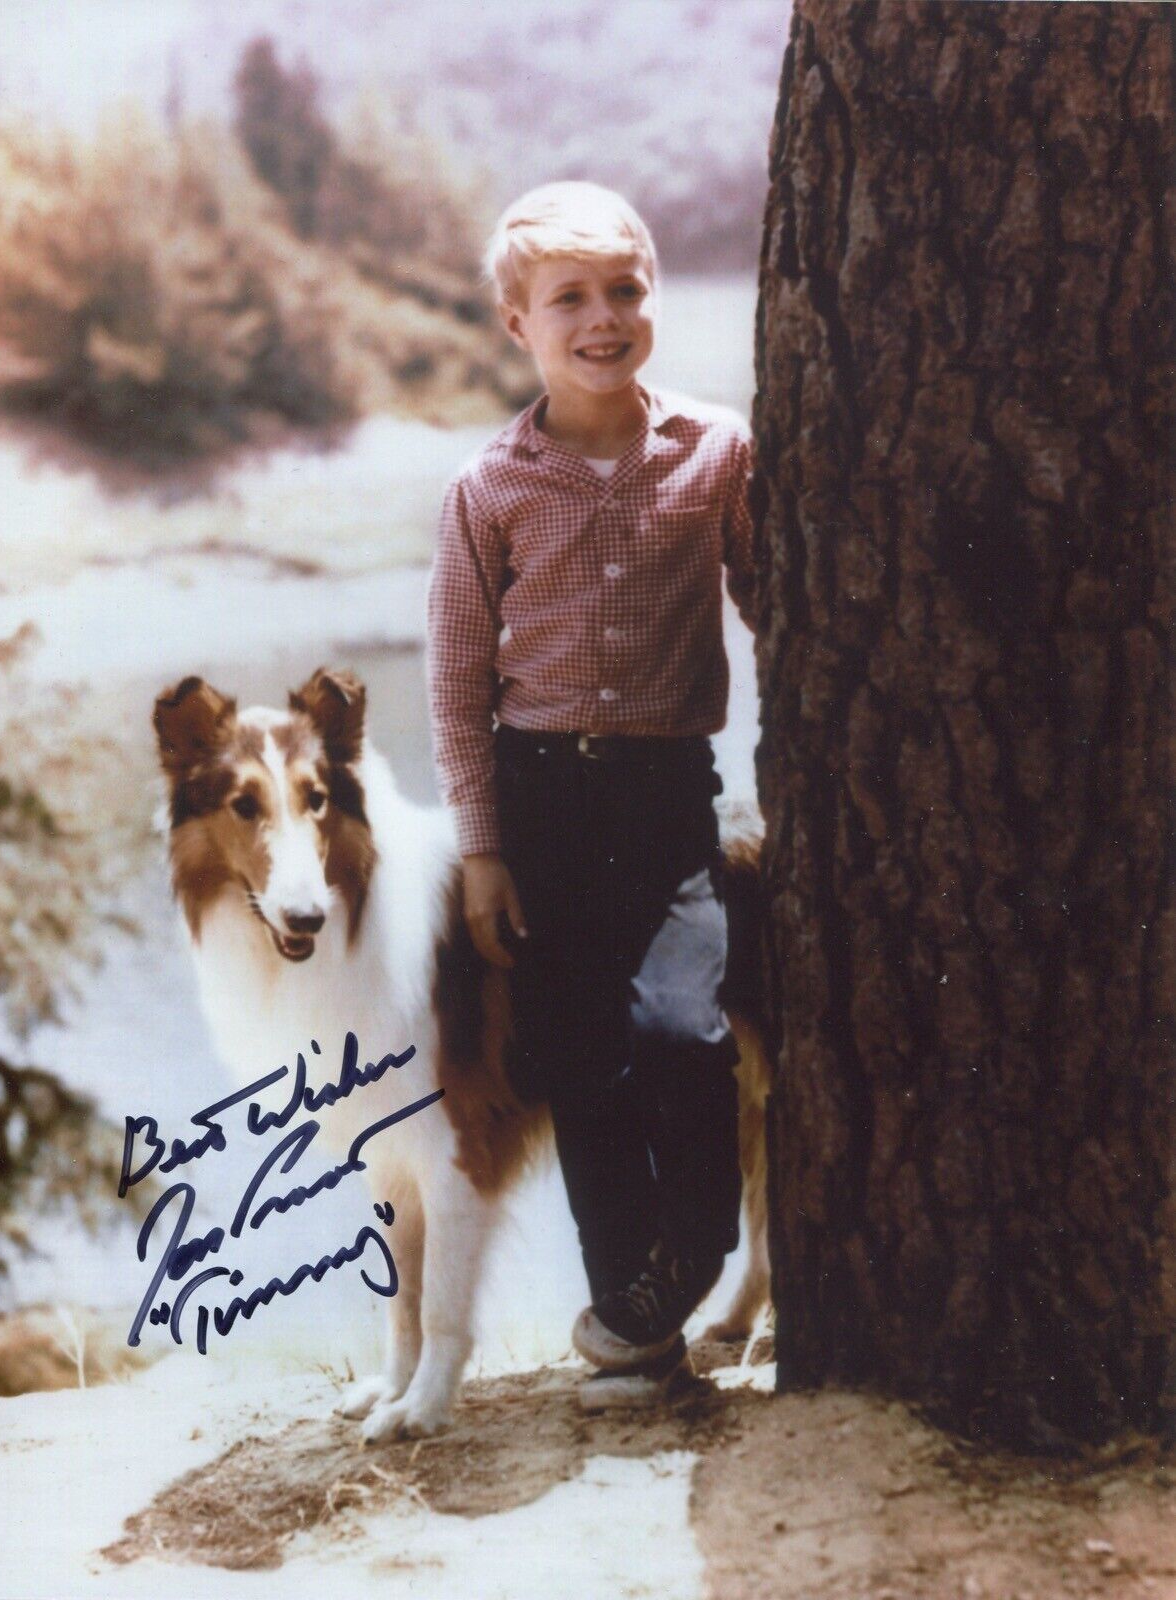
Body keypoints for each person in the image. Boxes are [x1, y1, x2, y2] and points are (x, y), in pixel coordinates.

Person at [427, 180, 756, 1407]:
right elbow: (459, 685)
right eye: (570, 299)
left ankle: (698, 1252)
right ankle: (641, 1336)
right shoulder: (487, 486)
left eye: (627, 290)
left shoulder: (718, 450)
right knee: (581, 1063)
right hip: (540, 804)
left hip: (667, 797)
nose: (604, 318)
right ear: (519, 326)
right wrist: (482, 849)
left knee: (682, 1029)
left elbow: (779, 597)